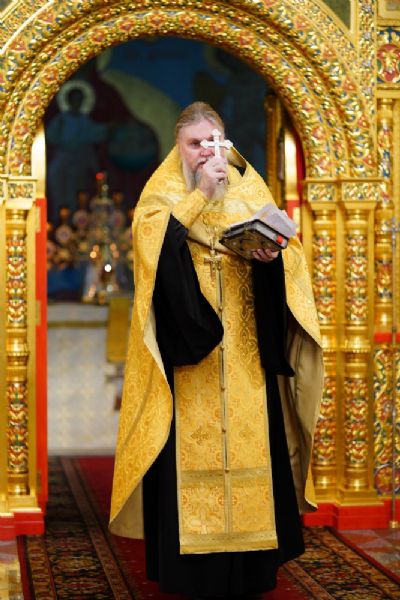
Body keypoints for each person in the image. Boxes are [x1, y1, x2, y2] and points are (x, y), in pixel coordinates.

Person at [110, 102, 324, 599]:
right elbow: (152, 250)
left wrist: (270, 258)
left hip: (246, 354)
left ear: (226, 141)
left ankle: (251, 570)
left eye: (214, 141)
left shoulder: (250, 189)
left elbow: (286, 263)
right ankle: (192, 574)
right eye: (196, 144)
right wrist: (201, 194)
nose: (207, 152)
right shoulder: (162, 193)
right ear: (179, 147)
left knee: (254, 449)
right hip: (190, 355)